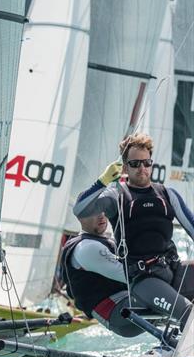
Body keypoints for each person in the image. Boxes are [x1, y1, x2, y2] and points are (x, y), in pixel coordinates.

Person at [73, 133, 193, 326]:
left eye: (146, 163)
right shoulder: (116, 196)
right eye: (135, 164)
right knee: (188, 313)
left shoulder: (168, 194)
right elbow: (80, 209)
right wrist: (102, 180)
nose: (142, 168)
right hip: (144, 281)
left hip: (173, 270)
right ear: (125, 167)